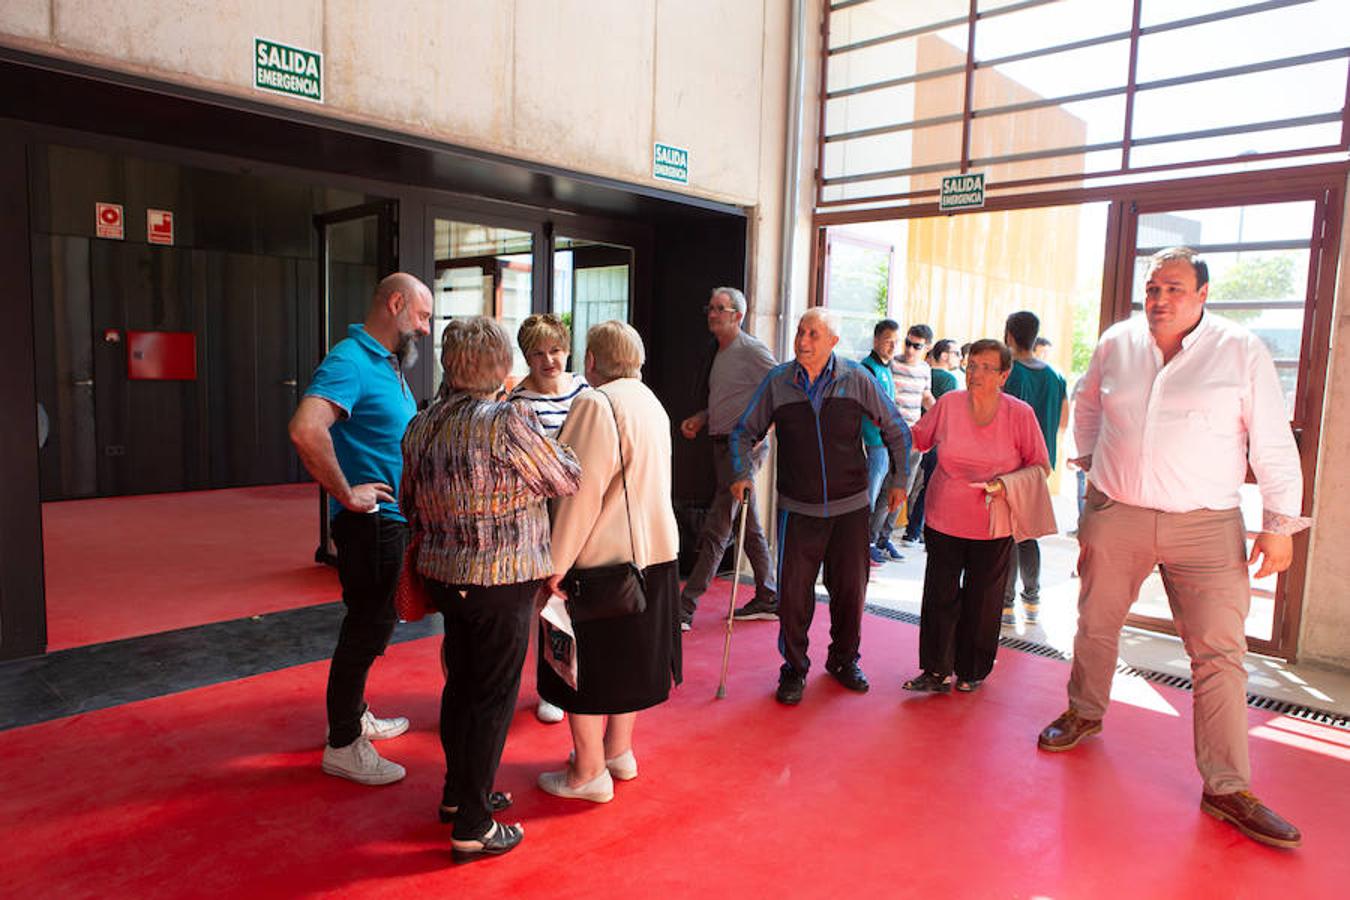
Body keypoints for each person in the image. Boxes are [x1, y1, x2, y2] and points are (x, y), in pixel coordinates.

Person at [1037, 247, 1310, 850]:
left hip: (1206, 525)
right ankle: (1084, 711)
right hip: (1119, 513)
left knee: (1219, 653)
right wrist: (1092, 471)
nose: (1160, 299)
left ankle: (1227, 787)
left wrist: (1279, 524)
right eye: (1152, 287)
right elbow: (1086, 407)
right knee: (1095, 622)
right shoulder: (1117, 341)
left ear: (1203, 293)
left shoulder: (1239, 350)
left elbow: (1270, 439)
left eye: (1175, 288)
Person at [402, 316, 581, 861]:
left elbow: (410, 503)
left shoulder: (423, 424)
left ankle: (460, 795)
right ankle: (474, 825)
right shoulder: (507, 421)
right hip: (499, 579)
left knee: (461, 684)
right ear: (503, 366)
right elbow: (564, 477)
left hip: (445, 574)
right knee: (494, 697)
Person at [288, 272, 432, 786]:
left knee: (375, 625)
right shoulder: (350, 360)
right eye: (421, 315)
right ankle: (343, 742)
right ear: (395, 304)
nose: (426, 327)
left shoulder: (386, 363)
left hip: (389, 525)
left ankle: (355, 715)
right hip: (370, 526)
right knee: (366, 627)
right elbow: (305, 428)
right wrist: (348, 493)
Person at [730, 308, 911, 705]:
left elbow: (896, 427)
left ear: (832, 342)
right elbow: (743, 432)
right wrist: (741, 472)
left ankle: (844, 660)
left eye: (813, 333)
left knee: (850, 590)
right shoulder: (778, 382)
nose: (802, 340)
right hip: (798, 507)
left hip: (850, 506)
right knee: (794, 596)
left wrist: (900, 480)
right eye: (800, 331)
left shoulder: (856, 379)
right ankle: (793, 668)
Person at [537, 321, 682, 803]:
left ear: (592, 361)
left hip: (603, 561)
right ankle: (618, 752)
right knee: (630, 661)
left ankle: (588, 772)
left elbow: (580, 494)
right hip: (656, 554)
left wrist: (554, 564)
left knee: (586, 666)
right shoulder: (650, 401)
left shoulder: (596, 403)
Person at [901, 339, 1049, 694]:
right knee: (940, 594)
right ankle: (935, 670)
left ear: (1004, 375)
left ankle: (972, 670)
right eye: (972, 366)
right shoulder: (949, 403)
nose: (976, 373)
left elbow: (1040, 466)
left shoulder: (1020, 414)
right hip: (944, 516)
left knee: (983, 601)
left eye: (986, 367)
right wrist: (884, 424)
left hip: (992, 522)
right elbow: (919, 439)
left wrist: (1004, 484)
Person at [677, 288, 778, 630]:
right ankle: (768, 596)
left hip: (741, 449)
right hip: (722, 444)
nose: (713, 313)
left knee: (718, 525)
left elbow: (780, 390)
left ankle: (685, 608)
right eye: (711, 308)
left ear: (738, 315)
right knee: (747, 526)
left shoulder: (752, 350)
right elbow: (731, 399)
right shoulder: (718, 352)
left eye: (721, 308)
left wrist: (760, 434)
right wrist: (703, 418)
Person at [509, 313, 590, 724]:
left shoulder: (584, 389)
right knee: (547, 605)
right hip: (542, 516)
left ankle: (581, 680)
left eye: (555, 350)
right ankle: (552, 687)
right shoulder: (517, 404)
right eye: (538, 353)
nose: (549, 360)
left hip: (585, 512)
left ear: (568, 349)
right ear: (526, 357)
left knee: (582, 601)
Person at [1001, 311, 1068, 626]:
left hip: (1013, 463)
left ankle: (1005, 602)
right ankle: (1032, 597)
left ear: (1009, 336)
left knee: (1009, 533)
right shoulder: (1056, 376)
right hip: (1042, 464)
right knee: (1028, 534)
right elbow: (1063, 422)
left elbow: (1003, 420)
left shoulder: (1012, 374)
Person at [872, 324, 934, 561]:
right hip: (890, 439)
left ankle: (884, 538)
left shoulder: (925, 370)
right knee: (886, 491)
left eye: (916, 346)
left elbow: (925, 397)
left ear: (926, 348)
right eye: (907, 343)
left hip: (914, 440)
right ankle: (871, 538)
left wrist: (941, 415)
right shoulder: (892, 365)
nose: (909, 349)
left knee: (903, 493)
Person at [900, 338, 963, 547]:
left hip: (917, 435)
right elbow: (947, 416)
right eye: (956, 353)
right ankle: (916, 530)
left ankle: (911, 530)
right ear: (944, 355)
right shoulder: (949, 380)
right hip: (935, 440)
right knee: (930, 486)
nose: (960, 358)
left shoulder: (924, 373)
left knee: (914, 485)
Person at [859, 319, 900, 565]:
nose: (893, 346)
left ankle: (874, 541)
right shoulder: (868, 368)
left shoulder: (887, 368)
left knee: (884, 496)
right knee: (869, 497)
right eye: (888, 341)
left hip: (887, 443)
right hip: (874, 442)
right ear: (876, 340)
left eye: (896, 341)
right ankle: (861, 545)